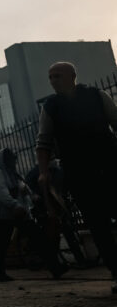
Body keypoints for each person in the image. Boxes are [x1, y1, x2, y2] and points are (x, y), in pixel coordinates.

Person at [37, 61, 117, 293]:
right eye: (50, 77)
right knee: (97, 224)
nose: (53, 80)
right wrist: (43, 173)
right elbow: (44, 142)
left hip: (109, 163)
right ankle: (115, 270)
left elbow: (115, 121)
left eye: (57, 76)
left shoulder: (96, 95)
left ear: (72, 76)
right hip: (78, 172)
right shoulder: (51, 106)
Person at [0, 148, 68, 281]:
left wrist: (32, 197)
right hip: (4, 216)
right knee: (1, 245)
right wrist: (15, 205)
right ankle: (0, 273)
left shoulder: (13, 173)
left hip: (21, 213)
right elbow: (2, 194)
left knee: (39, 238)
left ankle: (55, 267)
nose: (14, 161)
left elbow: (24, 188)